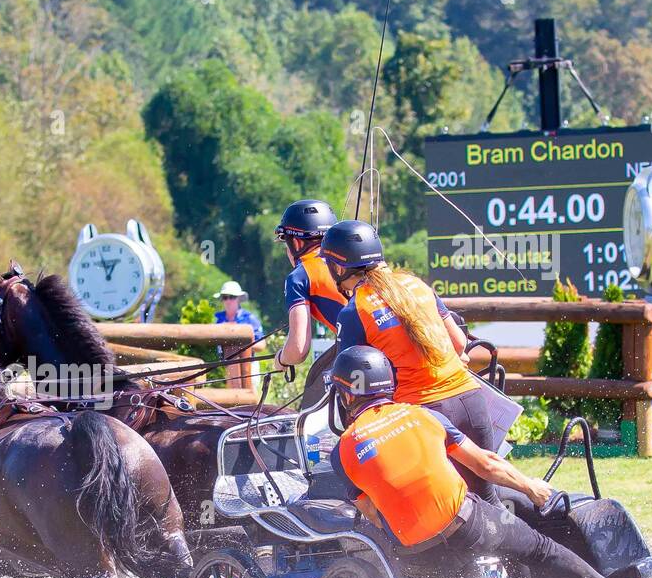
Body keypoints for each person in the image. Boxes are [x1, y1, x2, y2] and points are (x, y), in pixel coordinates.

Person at [328, 346, 628, 578]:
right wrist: (530, 487)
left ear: (346, 395)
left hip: (414, 550)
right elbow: (485, 464)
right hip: (468, 524)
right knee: (542, 549)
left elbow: (372, 513)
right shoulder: (424, 417)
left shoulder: (341, 451)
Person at [322, 219, 497, 502]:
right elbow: (459, 344)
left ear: (339, 267)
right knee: (487, 500)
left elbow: (351, 384)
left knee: (439, 505)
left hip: (424, 412)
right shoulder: (416, 285)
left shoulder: (354, 311)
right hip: (471, 400)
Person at [274, 199, 344, 393]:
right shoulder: (353, 260)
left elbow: (297, 350)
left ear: (295, 242)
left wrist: (281, 359)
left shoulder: (299, 276)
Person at [212, 280, 264, 388]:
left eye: (232, 297)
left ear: (239, 299)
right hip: (224, 367)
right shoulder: (218, 320)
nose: (228, 300)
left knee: (249, 401)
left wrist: (241, 344)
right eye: (225, 297)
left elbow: (261, 345)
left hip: (249, 367)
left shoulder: (250, 319)